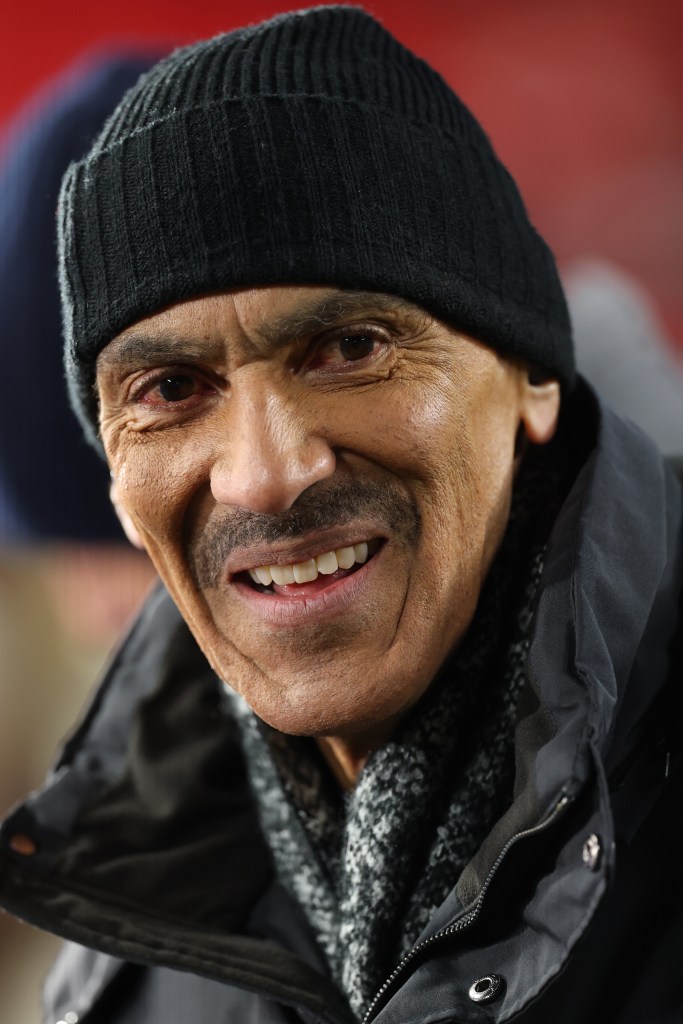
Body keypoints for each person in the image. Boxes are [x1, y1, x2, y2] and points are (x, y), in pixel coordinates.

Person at [1, 7, 681, 1023]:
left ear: (534, 371)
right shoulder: (119, 956)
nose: (266, 475)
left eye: (350, 347)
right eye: (170, 387)